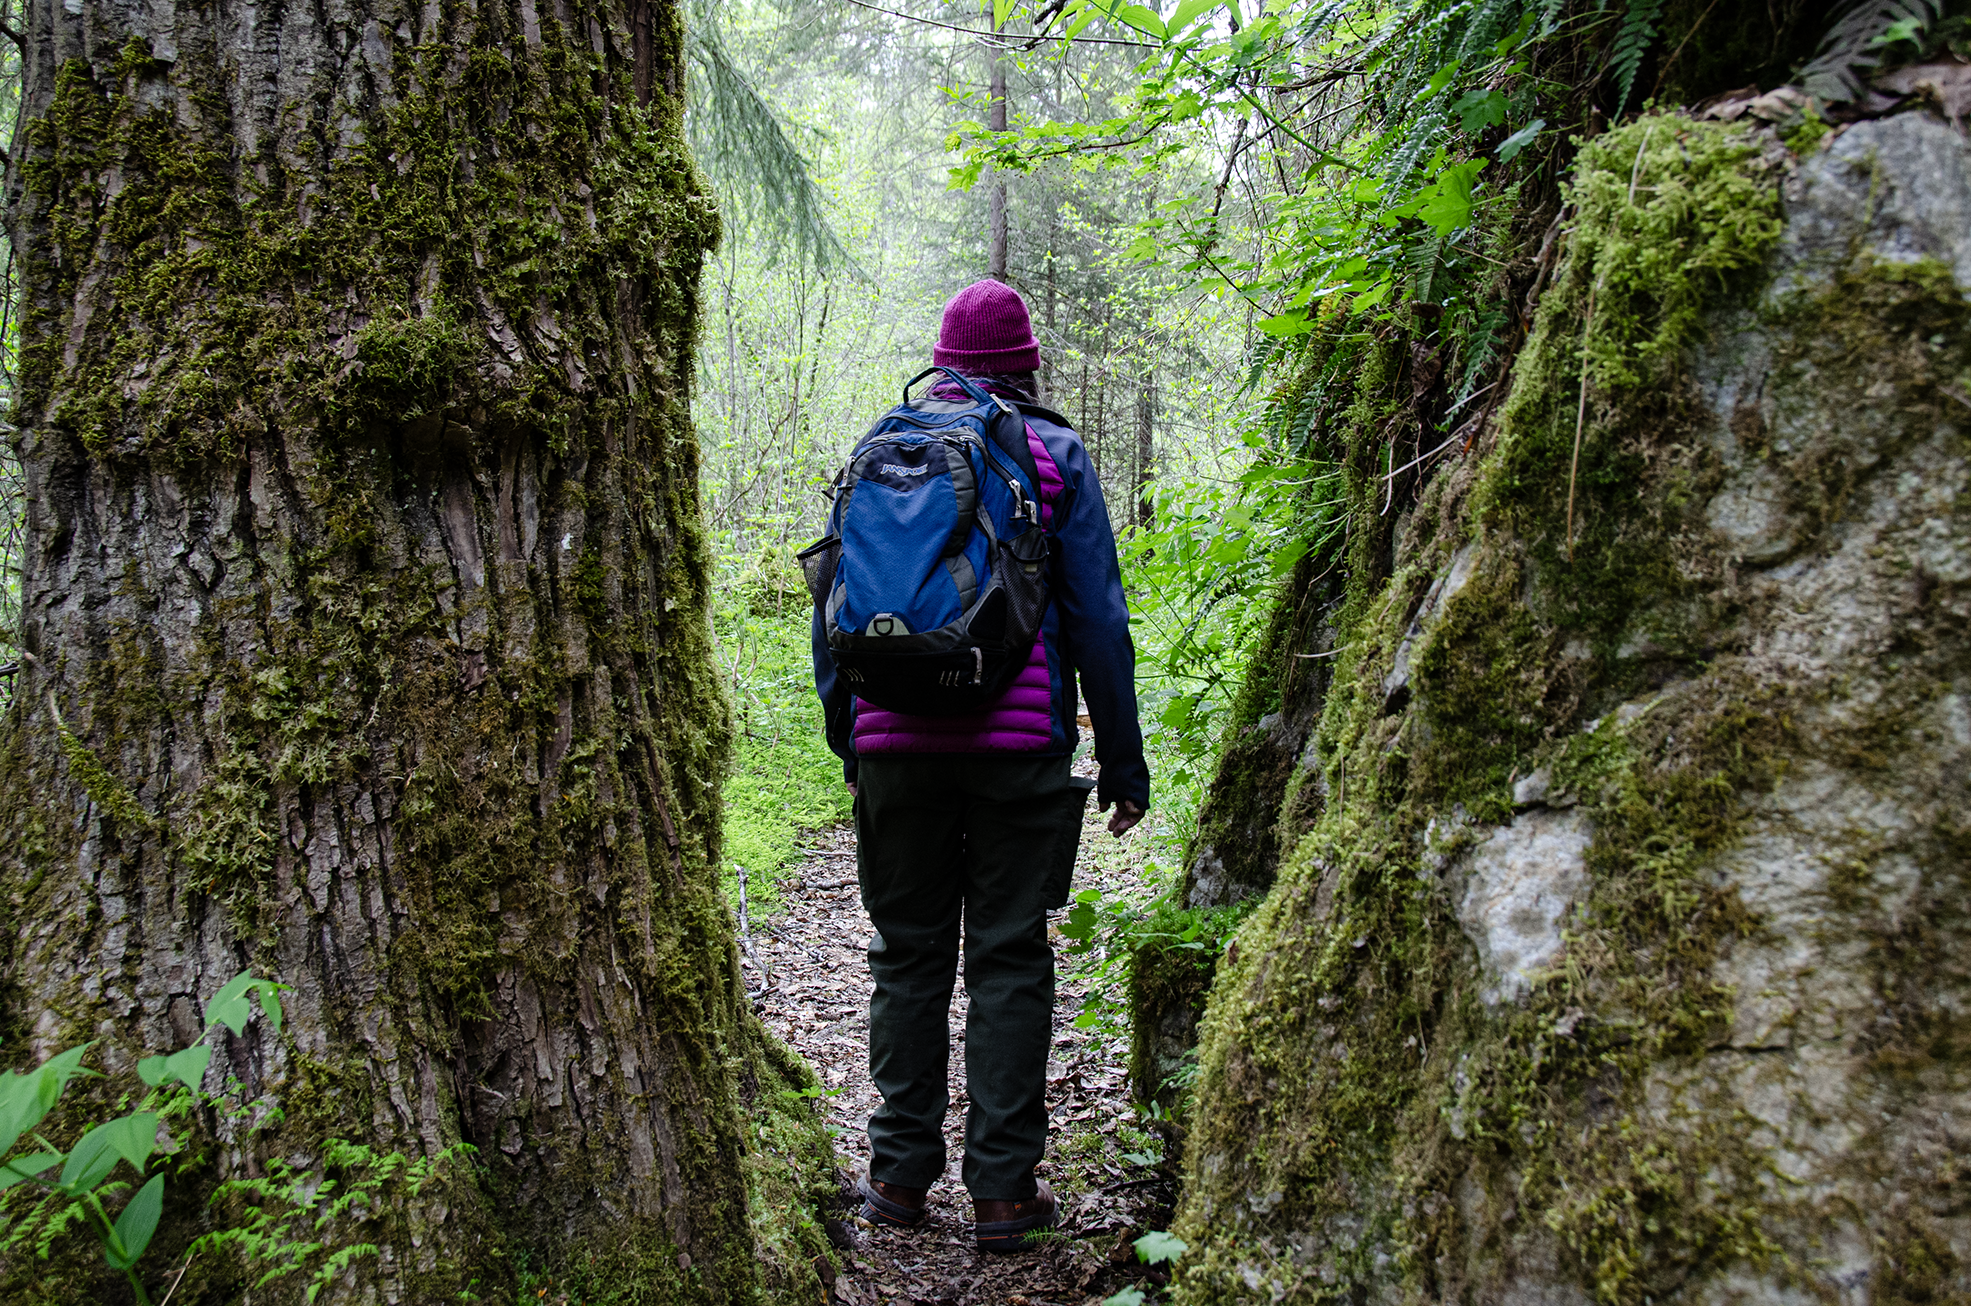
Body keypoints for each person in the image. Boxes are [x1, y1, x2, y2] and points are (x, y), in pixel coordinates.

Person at [811, 279, 1149, 1252]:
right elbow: (1098, 620)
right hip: (1018, 754)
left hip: (892, 747)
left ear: (944, 359)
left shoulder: (887, 444)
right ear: (1023, 362)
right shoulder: (1054, 453)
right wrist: (1123, 765)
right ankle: (1003, 1192)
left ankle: (897, 1179)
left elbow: (830, 609)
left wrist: (852, 742)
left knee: (905, 955)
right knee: (1008, 955)